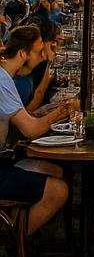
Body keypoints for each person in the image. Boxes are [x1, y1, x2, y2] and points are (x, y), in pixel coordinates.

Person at [0, 27, 76, 234]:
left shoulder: (5, 74)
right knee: (59, 190)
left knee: (57, 170)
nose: (42, 57)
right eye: (38, 51)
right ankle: (14, 242)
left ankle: (16, 224)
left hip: (6, 158)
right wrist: (62, 111)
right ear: (23, 54)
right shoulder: (3, 80)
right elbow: (31, 130)